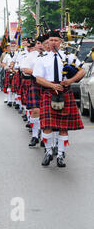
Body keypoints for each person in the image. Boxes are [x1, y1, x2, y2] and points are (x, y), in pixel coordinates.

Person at [33, 30, 85, 167]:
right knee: (47, 126)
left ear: (60, 42)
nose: (53, 42)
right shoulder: (42, 59)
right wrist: (51, 85)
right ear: (48, 43)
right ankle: (49, 152)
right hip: (49, 93)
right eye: (51, 40)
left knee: (63, 127)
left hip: (65, 92)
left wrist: (70, 81)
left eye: (56, 40)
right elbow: (38, 78)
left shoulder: (69, 57)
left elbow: (82, 71)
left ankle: (61, 154)